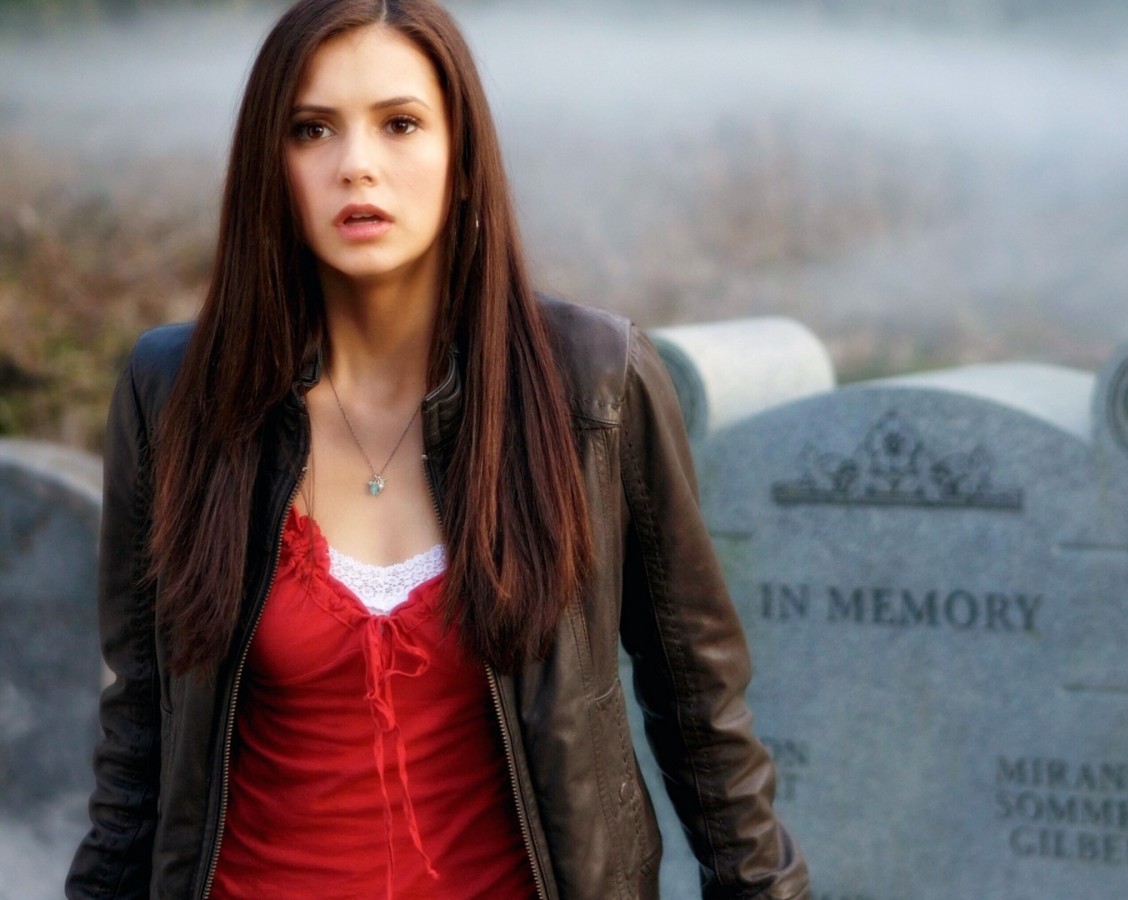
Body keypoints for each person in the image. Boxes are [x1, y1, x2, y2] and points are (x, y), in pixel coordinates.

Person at [65, 0, 809, 897]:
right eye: (312, 130)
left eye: (401, 124)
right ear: (271, 166)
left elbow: (703, 716)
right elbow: (138, 735)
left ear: (462, 159)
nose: (356, 164)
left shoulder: (593, 384)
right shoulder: (178, 393)